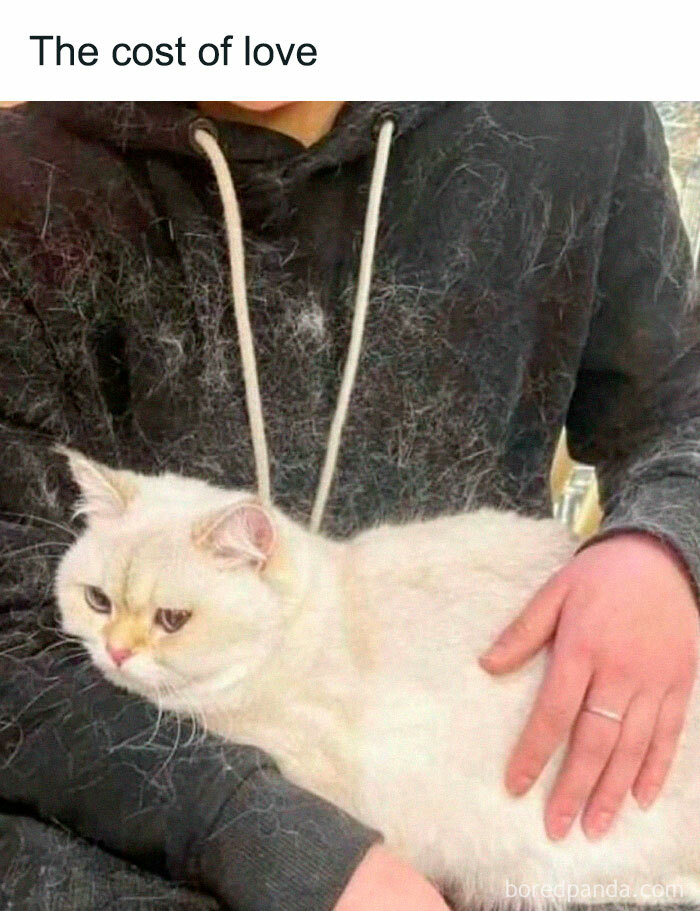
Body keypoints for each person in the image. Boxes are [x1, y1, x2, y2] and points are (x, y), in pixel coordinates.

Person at [0, 100, 698, 911]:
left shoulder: (572, 111)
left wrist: (666, 541)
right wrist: (275, 839)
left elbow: (679, 405)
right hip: (127, 816)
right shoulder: (26, 186)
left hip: (548, 798)